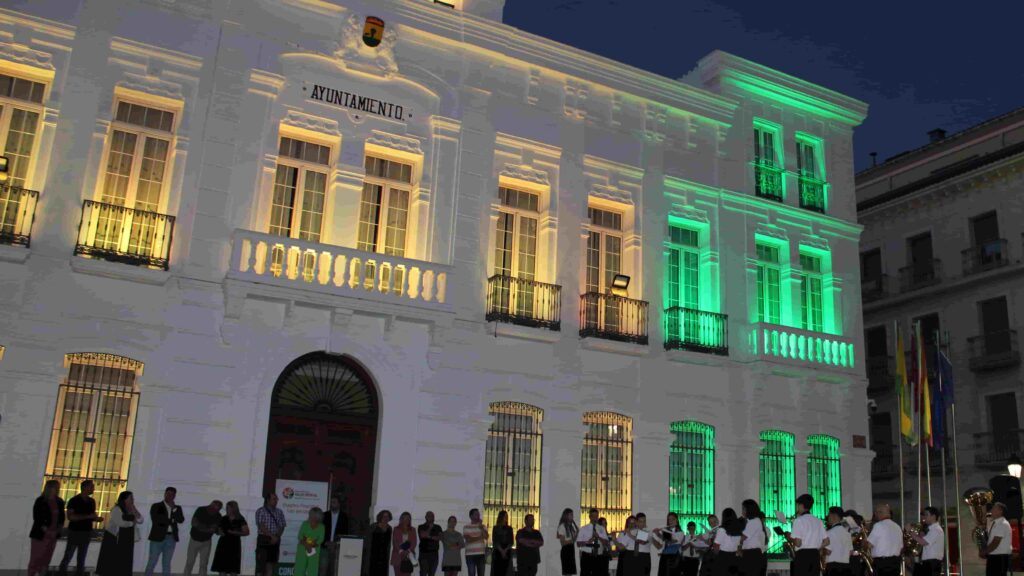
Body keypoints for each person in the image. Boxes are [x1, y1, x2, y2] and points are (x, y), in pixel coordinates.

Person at [96, 490, 144, 576]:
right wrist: (132, 523)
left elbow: (140, 520)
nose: (133, 499)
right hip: (115, 538)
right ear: (124, 499)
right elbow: (120, 522)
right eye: (131, 498)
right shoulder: (116, 509)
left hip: (127, 537)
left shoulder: (131, 509)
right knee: (114, 559)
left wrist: (134, 510)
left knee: (125, 559)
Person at [59, 479, 98, 576]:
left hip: (86, 532)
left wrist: (95, 519)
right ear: (85, 488)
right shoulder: (74, 500)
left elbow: (91, 516)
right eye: (91, 487)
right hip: (75, 531)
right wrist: (89, 517)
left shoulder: (92, 501)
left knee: (82, 557)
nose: (93, 489)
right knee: (69, 555)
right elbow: (71, 517)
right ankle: (62, 573)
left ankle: (79, 573)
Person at [146, 487, 186, 576]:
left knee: (167, 563)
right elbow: (157, 520)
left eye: (172, 494)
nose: (170, 496)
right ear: (165, 494)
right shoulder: (157, 506)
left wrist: (173, 511)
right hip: (157, 537)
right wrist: (172, 519)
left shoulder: (177, 508)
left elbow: (181, 520)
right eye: (168, 494)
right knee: (152, 561)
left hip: (171, 537)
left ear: (174, 496)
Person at [28, 479, 65, 576]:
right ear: (49, 488)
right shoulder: (41, 501)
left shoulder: (59, 501)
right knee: (36, 558)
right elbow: (38, 518)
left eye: (58, 487)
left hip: (53, 534)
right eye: (55, 487)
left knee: (46, 559)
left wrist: (58, 530)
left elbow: (61, 517)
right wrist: (47, 531)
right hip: (40, 534)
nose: (57, 489)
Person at [783, 495, 825, 576]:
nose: (797, 508)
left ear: (801, 505)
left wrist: (789, 537)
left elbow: (798, 543)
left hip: (803, 556)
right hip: (815, 555)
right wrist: (817, 547)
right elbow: (826, 541)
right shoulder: (818, 521)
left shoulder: (799, 520)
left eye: (797, 505)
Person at [184, 500, 224, 576]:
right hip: (194, 540)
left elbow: (216, 529)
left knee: (204, 563)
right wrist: (209, 528)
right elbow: (194, 523)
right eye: (215, 508)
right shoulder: (201, 510)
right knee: (190, 562)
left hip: (207, 541)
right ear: (211, 505)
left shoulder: (218, 515)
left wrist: (218, 531)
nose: (216, 511)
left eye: (218, 509)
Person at [211, 500, 249, 576]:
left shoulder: (240, 519)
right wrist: (219, 532)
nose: (227, 509)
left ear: (234, 508)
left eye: (228, 508)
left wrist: (234, 532)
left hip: (234, 545)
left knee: (233, 568)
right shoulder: (223, 518)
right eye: (226, 508)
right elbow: (217, 529)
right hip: (223, 544)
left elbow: (246, 532)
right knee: (221, 568)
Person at [865, 504, 902, 576]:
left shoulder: (878, 525)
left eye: (875, 513)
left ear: (879, 513)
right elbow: (901, 547)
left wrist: (866, 531)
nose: (875, 515)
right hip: (896, 563)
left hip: (882, 564)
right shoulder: (897, 527)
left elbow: (869, 545)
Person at [256, 492, 287, 576]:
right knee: (261, 565)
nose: (276, 500)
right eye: (274, 499)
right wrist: (272, 536)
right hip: (264, 539)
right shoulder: (261, 511)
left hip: (276, 539)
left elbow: (282, 526)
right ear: (268, 500)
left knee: (271, 564)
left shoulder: (279, 512)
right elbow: (261, 526)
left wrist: (276, 537)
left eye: (276, 499)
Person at [981, 502, 1012, 576]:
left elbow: (995, 542)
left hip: (999, 558)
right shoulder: (995, 523)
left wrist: (984, 551)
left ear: (1000, 511)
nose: (991, 510)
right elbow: (985, 518)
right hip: (994, 556)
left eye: (993, 509)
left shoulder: (1002, 524)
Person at [577, 508, 610, 576]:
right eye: (593, 516)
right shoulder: (583, 528)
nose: (595, 518)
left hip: (598, 556)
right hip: (587, 556)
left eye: (596, 516)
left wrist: (598, 537)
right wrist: (587, 542)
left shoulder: (601, 528)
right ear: (589, 517)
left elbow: (607, 543)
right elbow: (578, 543)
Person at [911, 507, 943, 576]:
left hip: (932, 563)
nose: (924, 517)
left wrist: (911, 533)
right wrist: (921, 536)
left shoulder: (936, 529)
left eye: (926, 515)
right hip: (928, 562)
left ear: (933, 516)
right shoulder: (931, 530)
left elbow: (923, 542)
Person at [322, 496, 349, 576]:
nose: (332, 504)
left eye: (334, 502)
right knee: (322, 570)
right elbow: (320, 531)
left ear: (339, 504)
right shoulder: (324, 515)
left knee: (334, 571)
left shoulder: (344, 517)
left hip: (337, 548)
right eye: (331, 502)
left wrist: (336, 543)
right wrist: (325, 542)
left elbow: (345, 533)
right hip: (325, 547)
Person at [295, 507, 326, 576]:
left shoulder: (322, 527)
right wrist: (309, 544)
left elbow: (320, 540)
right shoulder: (305, 524)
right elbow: (300, 536)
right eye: (312, 515)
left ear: (319, 517)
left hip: (315, 551)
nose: (313, 517)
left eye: (315, 516)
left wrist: (306, 540)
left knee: (313, 570)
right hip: (302, 549)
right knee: (299, 569)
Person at [713, 508, 744, 576]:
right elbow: (740, 544)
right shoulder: (738, 529)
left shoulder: (722, 529)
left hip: (723, 556)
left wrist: (717, 554)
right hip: (734, 557)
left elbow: (716, 545)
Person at [362, 510, 393, 576]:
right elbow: (366, 541)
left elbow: (388, 544)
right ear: (380, 517)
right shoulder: (373, 527)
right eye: (384, 516)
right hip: (372, 556)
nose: (386, 518)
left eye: (387, 516)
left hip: (383, 557)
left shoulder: (389, 528)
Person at [739, 500, 766, 576]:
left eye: (744, 509)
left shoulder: (754, 521)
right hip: (750, 554)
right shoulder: (750, 521)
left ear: (749, 509)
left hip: (752, 555)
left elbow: (742, 538)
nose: (742, 511)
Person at [822, 507, 852, 576]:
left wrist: (820, 549)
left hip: (833, 567)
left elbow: (828, 551)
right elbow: (850, 552)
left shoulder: (830, 532)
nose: (828, 517)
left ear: (834, 516)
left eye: (829, 515)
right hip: (846, 567)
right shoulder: (847, 533)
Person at [463, 509, 488, 576]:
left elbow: (486, 537)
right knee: (471, 574)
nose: (478, 515)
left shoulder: (483, 526)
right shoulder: (466, 527)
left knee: (481, 574)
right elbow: (468, 540)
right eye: (476, 514)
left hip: (481, 554)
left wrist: (481, 528)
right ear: (471, 516)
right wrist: (480, 537)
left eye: (478, 514)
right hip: (470, 555)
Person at [393, 511, 419, 576]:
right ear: (401, 519)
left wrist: (407, 552)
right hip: (397, 556)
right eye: (404, 518)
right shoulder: (396, 529)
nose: (406, 520)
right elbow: (395, 542)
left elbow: (414, 542)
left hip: (409, 556)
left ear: (410, 520)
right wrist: (401, 552)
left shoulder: (413, 529)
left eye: (408, 518)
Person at [419, 511, 445, 576]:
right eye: (429, 516)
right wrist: (430, 528)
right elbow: (422, 535)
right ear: (425, 517)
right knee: (423, 573)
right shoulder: (421, 526)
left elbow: (441, 538)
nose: (431, 517)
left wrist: (428, 536)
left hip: (434, 554)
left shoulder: (438, 527)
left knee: (432, 574)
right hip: (423, 553)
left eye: (432, 516)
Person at [557, 508, 579, 576]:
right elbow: (563, 542)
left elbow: (573, 541)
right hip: (566, 550)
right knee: (567, 573)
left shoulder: (570, 526)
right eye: (571, 515)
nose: (572, 516)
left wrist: (576, 533)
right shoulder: (562, 526)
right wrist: (572, 540)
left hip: (571, 549)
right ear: (566, 516)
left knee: (570, 573)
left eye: (572, 515)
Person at [491, 510, 514, 576]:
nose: (506, 518)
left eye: (507, 516)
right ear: (501, 517)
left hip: (507, 551)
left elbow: (511, 541)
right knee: (497, 571)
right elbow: (495, 540)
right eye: (505, 516)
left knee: (507, 571)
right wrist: (501, 550)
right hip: (498, 551)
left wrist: (505, 550)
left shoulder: (510, 528)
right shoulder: (495, 528)